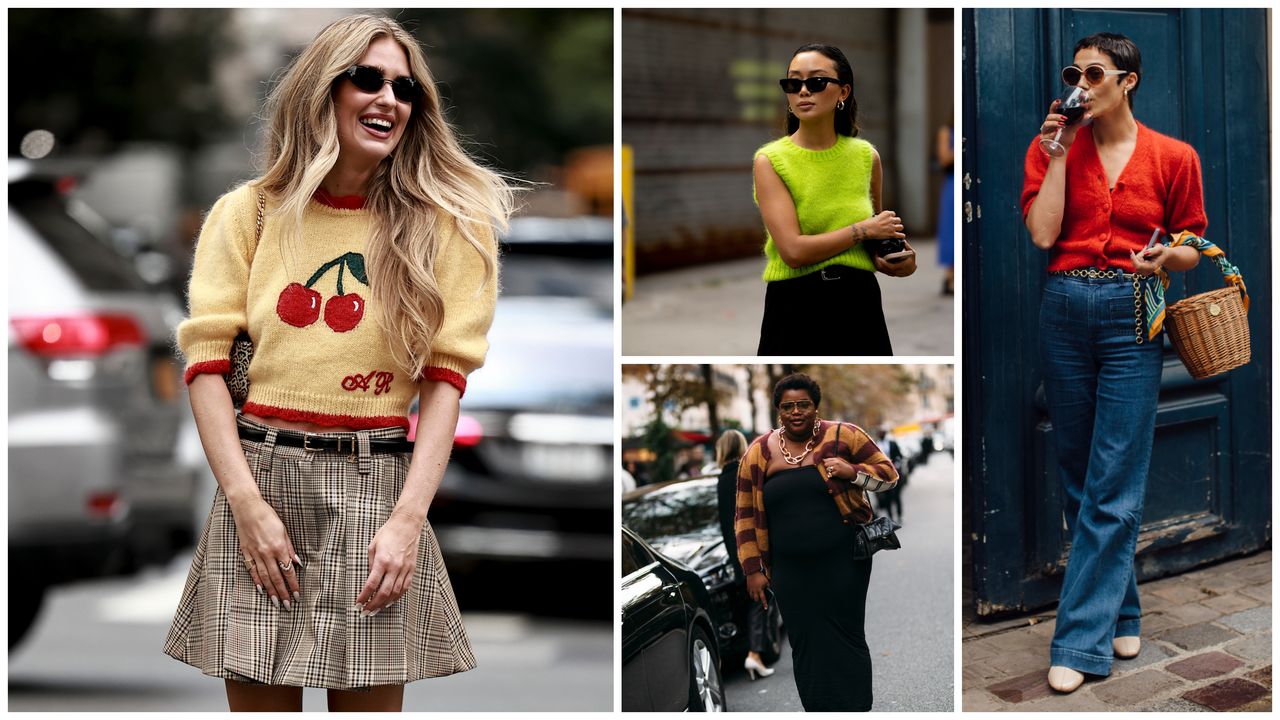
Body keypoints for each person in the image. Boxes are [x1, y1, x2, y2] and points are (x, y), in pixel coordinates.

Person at [163, 14, 513, 711]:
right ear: (323, 90)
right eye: (368, 78)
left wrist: (408, 520)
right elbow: (204, 366)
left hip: (375, 484)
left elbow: (447, 382)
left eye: (406, 89)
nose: (389, 99)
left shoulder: (448, 225)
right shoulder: (248, 214)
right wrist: (245, 504)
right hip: (259, 482)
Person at [1022, 32, 1204, 694]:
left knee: (1114, 480)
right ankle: (1122, 607)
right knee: (1080, 476)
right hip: (1066, 305)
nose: (1081, 83)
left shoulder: (1173, 157)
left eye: (1094, 73)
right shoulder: (1053, 148)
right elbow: (1043, 233)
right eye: (1075, 73)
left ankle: (1079, 640)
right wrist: (1060, 153)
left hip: (1135, 309)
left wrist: (1166, 259)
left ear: (1127, 81)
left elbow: (1192, 245)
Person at [734, 374, 899, 710]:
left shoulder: (843, 435)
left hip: (844, 561)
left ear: (815, 406)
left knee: (846, 633)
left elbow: (889, 475)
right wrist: (753, 569)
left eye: (803, 404)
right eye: (788, 406)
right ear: (779, 410)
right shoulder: (759, 452)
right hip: (789, 568)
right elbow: (745, 515)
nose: (796, 412)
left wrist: (851, 471)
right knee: (804, 639)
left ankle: (856, 707)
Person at [753, 44, 917, 356]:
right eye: (793, 83)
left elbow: (876, 239)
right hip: (794, 305)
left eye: (815, 82)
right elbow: (792, 251)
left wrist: (901, 260)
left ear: (842, 92)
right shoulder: (770, 160)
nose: (803, 91)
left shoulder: (866, 157)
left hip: (859, 302)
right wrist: (865, 230)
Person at [713, 429, 775, 680]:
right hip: (753, 548)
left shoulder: (720, 480)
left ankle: (755, 652)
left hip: (734, 550)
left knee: (755, 602)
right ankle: (755, 653)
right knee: (760, 602)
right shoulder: (745, 472)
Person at [935, 117, 955, 295]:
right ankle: (950, 274)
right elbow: (943, 159)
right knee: (950, 229)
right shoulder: (946, 131)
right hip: (952, 181)